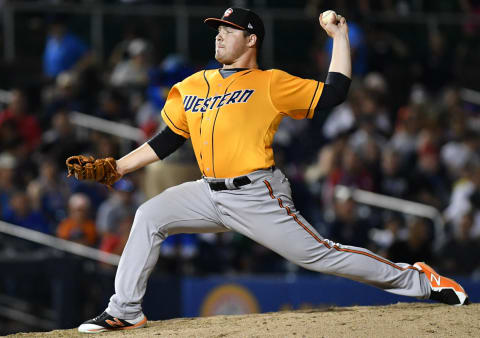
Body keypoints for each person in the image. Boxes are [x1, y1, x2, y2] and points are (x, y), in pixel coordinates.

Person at [76, 8, 469, 334]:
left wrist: (340, 37)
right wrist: (117, 167)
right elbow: (167, 140)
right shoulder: (193, 85)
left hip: (256, 193)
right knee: (148, 215)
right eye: (218, 29)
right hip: (207, 192)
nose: (219, 35)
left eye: (229, 30)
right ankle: (125, 310)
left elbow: (334, 92)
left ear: (251, 40)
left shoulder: (271, 84)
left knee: (322, 256)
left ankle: (420, 279)